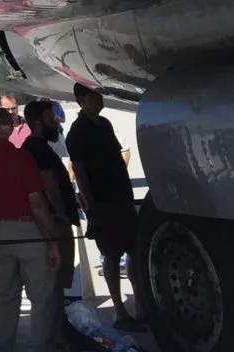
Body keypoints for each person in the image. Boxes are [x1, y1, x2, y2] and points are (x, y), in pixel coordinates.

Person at [0, 109, 60, 352]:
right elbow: (37, 204)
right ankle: (40, 347)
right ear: (10, 130)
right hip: (28, 232)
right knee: (41, 297)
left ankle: (1, 347)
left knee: (2, 297)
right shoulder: (23, 158)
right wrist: (52, 240)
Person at [65, 85, 143, 332]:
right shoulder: (77, 132)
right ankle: (120, 310)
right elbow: (79, 172)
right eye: (93, 96)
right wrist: (90, 208)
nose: (99, 99)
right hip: (102, 201)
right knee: (111, 254)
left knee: (133, 250)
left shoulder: (105, 124)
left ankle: (140, 306)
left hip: (121, 197)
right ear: (81, 100)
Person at [20, 101, 77, 337]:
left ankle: (58, 329)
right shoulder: (38, 148)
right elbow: (49, 183)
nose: (55, 122)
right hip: (53, 221)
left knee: (55, 283)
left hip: (49, 220)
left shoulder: (36, 146)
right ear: (37, 123)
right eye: (49, 119)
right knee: (54, 280)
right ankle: (56, 332)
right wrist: (60, 212)